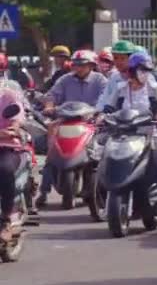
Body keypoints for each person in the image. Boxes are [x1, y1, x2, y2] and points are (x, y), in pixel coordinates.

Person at [103, 52, 157, 232]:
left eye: (148, 70)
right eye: (142, 70)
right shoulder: (121, 88)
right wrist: (101, 116)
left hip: (149, 135)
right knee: (104, 161)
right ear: (132, 71)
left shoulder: (153, 88)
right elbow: (108, 107)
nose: (145, 73)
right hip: (123, 136)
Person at [35, 50, 107, 207]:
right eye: (76, 64)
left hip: (92, 123)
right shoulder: (65, 79)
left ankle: (101, 190)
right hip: (66, 121)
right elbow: (51, 95)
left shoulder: (100, 80)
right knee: (52, 153)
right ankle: (44, 191)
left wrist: (100, 112)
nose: (79, 68)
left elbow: (106, 98)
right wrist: (49, 105)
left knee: (100, 154)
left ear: (91, 66)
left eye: (83, 65)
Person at [0, 86, 30, 243]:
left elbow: (16, 121)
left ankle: (5, 219)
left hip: (7, 147)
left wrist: (13, 128)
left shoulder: (8, 96)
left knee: (4, 170)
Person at [96, 40, 134, 111]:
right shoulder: (114, 76)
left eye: (122, 58)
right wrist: (98, 112)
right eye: (116, 58)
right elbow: (105, 98)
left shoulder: (141, 76)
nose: (118, 62)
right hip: (116, 118)